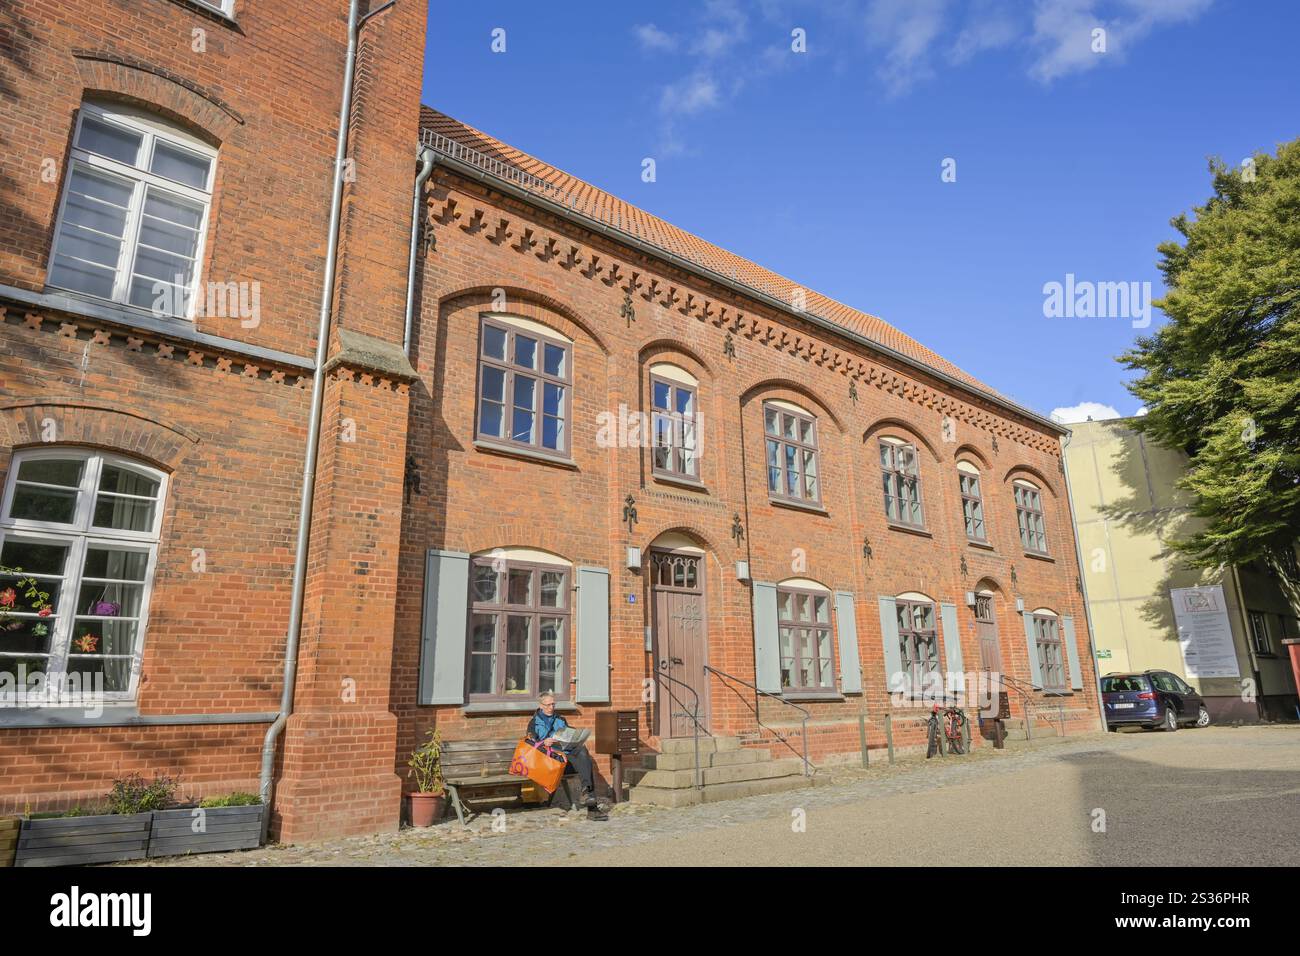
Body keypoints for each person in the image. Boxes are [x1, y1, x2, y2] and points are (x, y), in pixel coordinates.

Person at [525, 693, 608, 820]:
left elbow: (569, 734)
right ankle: (592, 807)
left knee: (582, 751)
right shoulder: (533, 723)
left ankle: (587, 794)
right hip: (549, 762)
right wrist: (543, 742)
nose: (551, 708)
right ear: (541, 706)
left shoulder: (561, 720)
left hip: (566, 761)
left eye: (553, 704)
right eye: (548, 705)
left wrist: (576, 737)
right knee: (584, 764)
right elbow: (530, 744)